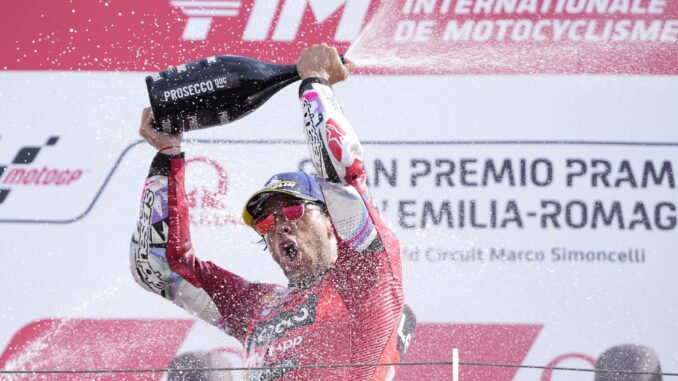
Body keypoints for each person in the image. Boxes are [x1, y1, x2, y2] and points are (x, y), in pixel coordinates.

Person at [130, 44, 415, 381]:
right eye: (266, 221)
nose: (280, 227)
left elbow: (343, 176)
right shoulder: (258, 306)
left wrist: (315, 83)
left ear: (330, 222)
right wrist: (168, 154)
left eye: (293, 210)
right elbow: (160, 268)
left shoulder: (365, 278)